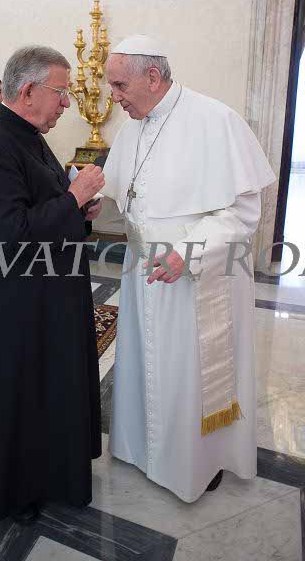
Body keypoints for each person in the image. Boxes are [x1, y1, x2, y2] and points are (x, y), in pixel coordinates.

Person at [101, 34, 275, 503]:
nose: (113, 97)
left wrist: (188, 253)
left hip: (198, 277)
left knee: (190, 372)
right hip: (144, 273)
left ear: (152, 77)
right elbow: (126, 195)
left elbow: (242, 212)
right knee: (145, 363)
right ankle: (143, 450)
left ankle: (199, 462)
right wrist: (95, 205)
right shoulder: (132, 126)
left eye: (119, 85)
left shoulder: (215, 120)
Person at [0, 45, 104, 523]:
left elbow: (42, 203)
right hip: (16, 297)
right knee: (22, 394)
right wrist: (74, 197)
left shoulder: (29, 135)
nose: (66, 102)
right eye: (61, 92)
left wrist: (80, 209)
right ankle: (19, 490)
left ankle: (55, 474)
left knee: (50, 387)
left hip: (47, 291)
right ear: (27, 91)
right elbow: (11, 234)